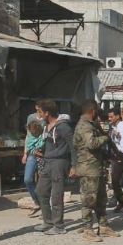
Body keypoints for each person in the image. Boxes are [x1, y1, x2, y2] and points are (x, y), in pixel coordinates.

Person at [74, 100, 120, 242]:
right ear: (92, 112)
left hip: (96, 167)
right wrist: (106, 137)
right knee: (89, 200)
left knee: (101, 198)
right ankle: (87, 229)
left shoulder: (91, 125)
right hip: (88, 169)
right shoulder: (84, 126)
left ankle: (103, 226)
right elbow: (92, 143)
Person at [35, 99, 77, 235]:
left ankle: (58, 226)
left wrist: (74, 165)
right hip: (47, 162)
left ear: (47, 113)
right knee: (41, 191)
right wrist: (41, 152)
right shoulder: (46, 125)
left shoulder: (63, 127)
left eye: (39, 111)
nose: (38, 114)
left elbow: (73, 146)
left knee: (56, 195)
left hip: (59, 163)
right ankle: (48, 221)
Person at [22, 101, 46, 216]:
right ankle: (37, 202)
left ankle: (45, 206)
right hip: (32, 153)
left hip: (43, 154)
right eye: (39, 109)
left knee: (44, 181)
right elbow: (28, 135)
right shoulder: (31, 117)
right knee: (28, 179)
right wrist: (25, 153)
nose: (40, 112)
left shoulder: (47, 118)